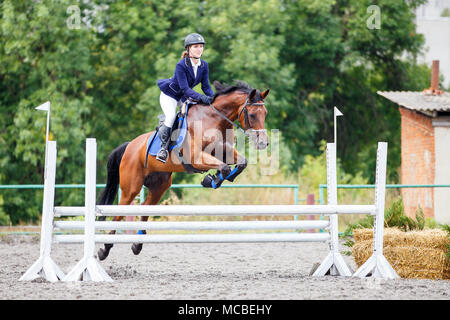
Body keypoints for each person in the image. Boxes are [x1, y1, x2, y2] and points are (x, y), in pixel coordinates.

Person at [155, 33, 215, 163]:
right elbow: (185, 89)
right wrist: (201, 98)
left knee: (192, 116)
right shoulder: (181, 65)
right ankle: (163, 148)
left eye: (201, 46)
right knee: (171, 116)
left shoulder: (204, 65)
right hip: (169, 95)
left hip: (183, 96)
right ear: (188, 49)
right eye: (195, 47)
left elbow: (206, 86)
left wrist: (214, 98)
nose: (199, 49)